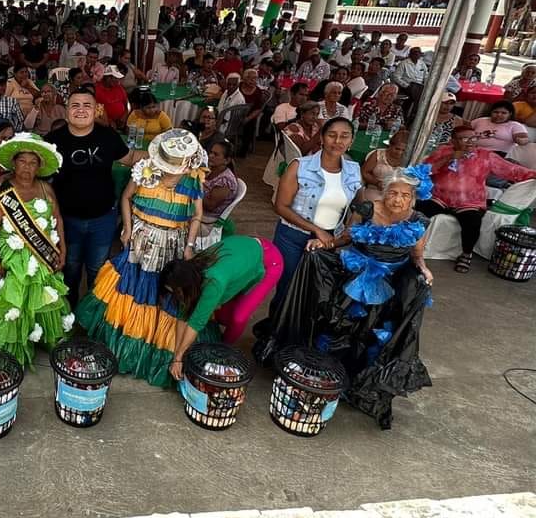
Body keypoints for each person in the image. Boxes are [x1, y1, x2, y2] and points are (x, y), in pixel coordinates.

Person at [265, 167, 436, 429]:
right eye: (393, 193)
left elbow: (416, 255)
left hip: (389, 285)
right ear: (384, 192)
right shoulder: (367, 209)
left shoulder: (419, 221)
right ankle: (320, 377)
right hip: (355, 275)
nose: (398, 199)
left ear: (413, 198)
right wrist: (323, 244)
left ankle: (355, 385)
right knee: (337, 328)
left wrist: (424, 269)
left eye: (405, 195)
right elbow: (345, 237)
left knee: (374, 336)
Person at [77, 130, 207, 385]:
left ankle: (155, 354)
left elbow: (197, 215)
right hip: (141, 241)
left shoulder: (194, 178)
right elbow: (126, 198)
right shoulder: (144, 169)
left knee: (165, 294)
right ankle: (123, 349)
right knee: (132, 289)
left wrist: (190, 245)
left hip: (172, 245)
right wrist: (127, 228)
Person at [0, 133, 72, 366]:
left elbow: (57, 218)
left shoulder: (46, 189)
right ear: (13, 163)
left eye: (32, 162)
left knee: (43, 297)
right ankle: (13, 347)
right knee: (14, 303)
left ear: (39, 166)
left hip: (43, 255)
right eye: (22, 161)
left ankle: (43, 336)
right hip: (12, 258)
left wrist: (63, 249)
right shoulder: (2, 192)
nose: (27, 167)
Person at [259, 117, 362, 335]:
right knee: (287, 290)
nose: (338, 141)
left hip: (328, 241)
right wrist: (316, 229)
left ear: (351, 141)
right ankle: (275, 338)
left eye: (344, 136)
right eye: (332, 135)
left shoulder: (354, 170)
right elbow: (281, 206)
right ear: (322, 138)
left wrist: (346, 233)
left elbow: (358, 207)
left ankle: (299, 340)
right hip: (292, 237)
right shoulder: (300, 166)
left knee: (316, 292)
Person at [47, 88, 130, 306]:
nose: (81, 110)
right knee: (70, 269)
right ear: (67, 111)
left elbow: (130, 158)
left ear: (96, 110)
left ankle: (90, 314)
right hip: (67, 220)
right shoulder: (53, 141)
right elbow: (30, 167)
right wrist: (4, 176)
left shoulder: (108, 136)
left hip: (102, 219)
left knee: (97, 269)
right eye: (75, 105)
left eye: (87, 105)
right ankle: (68, 312)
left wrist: (168, 158)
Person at [160, 236, 282, 381]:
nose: (175, 296)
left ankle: (223, 350)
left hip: (268, 262)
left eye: (176, 292)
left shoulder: (213, 281)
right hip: (243, 252)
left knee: (238, 317)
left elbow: (196, 322)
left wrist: (178, 358)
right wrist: (177, 355)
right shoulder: (189, 271)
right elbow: (184, 313)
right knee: (218, 310)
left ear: (185, 285)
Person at [417, 125, 536, 273]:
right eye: (464, 139)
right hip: (439, 197)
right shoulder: (443, 151)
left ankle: (466, 254)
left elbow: (512, 170)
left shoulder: (485, 156)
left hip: (469, 201)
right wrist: (449, 158)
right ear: (453, 141)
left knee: (472, 222)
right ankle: (409, 245)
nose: (470, 142)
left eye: (473, 138)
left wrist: (533, 174)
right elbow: (425, 171)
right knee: (418, 213)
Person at [360, 129, 409, 202]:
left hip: (397, 194)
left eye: (403, 150)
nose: (400, 153)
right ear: (390, 145)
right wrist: (377, 183)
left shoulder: (409, 159)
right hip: (376, 190)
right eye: (397, 149)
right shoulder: (378, 154)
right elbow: (364, 172)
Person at [202, 140, 238, 219]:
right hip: (198, 208)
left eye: (216, 154)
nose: (210, 156)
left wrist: (194, 189)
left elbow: (210, 206)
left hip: (207, 217)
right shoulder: (211, 170)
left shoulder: (225, 181)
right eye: (211, 152)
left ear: (227, 160)